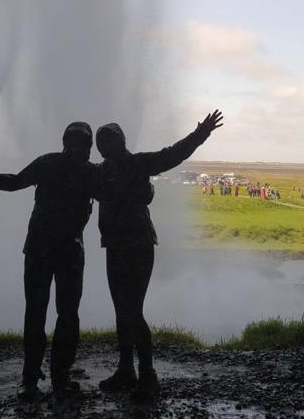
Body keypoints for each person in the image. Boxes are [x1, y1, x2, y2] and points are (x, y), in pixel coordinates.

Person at [94, 109, 223, 400]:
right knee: (121, 309)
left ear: (121, 141)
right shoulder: (100, 172)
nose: (104, 145)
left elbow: (173, 155)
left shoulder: (137, 164)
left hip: (138, 245)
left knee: (132, 310)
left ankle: (148, 376)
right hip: (114, 246)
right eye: (101, 141)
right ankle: (126, 369)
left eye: (108, 139)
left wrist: (200, 133)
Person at [0, 122, 97, 400]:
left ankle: (41, 377)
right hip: (56, 251)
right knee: (55, 313)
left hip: (49, 250)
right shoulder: (79, 170)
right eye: (77, 144)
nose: (78, 149)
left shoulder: (57, 165)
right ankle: (48, 377)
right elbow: (14, 182)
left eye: (81, 145)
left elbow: (14, 182)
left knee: (48, 313)